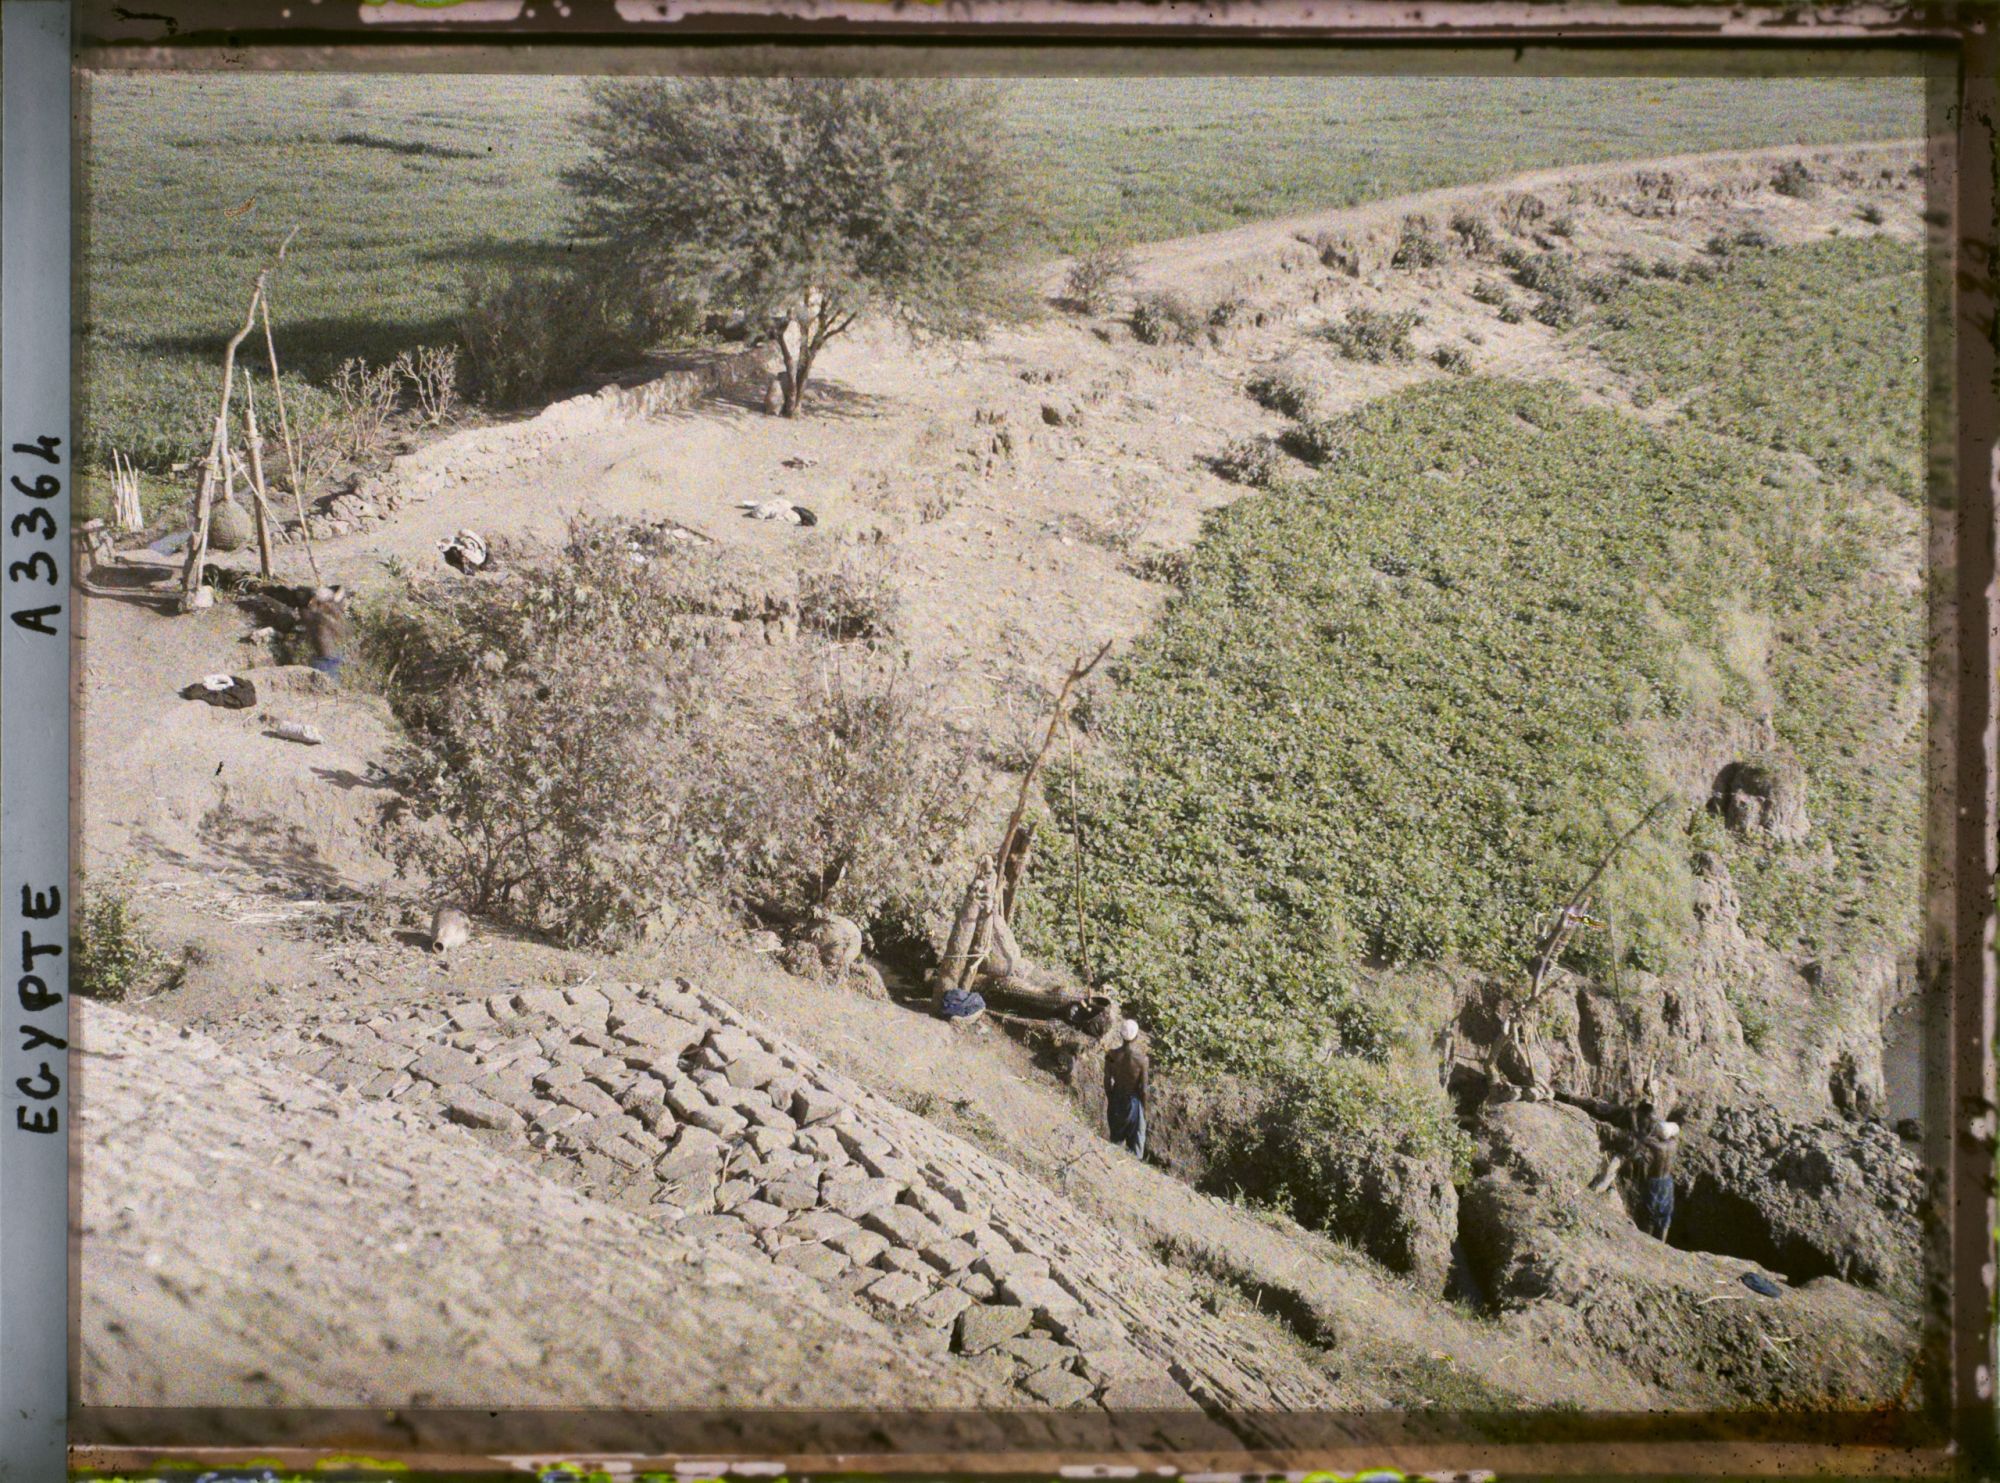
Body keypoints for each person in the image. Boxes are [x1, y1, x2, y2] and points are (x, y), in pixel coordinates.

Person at [1104, 1018, 1149, 1159]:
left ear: (1120, 1035)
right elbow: (1144, 1089)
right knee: (1136, 1144)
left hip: (1116, 1099)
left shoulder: (1111, 1055)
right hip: (1133, 1103)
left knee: (1115, 1141)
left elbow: (1107, 1080)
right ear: (1136, 1037)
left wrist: (1111, 1098)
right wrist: (1144, 1109)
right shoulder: (1142, 1060)